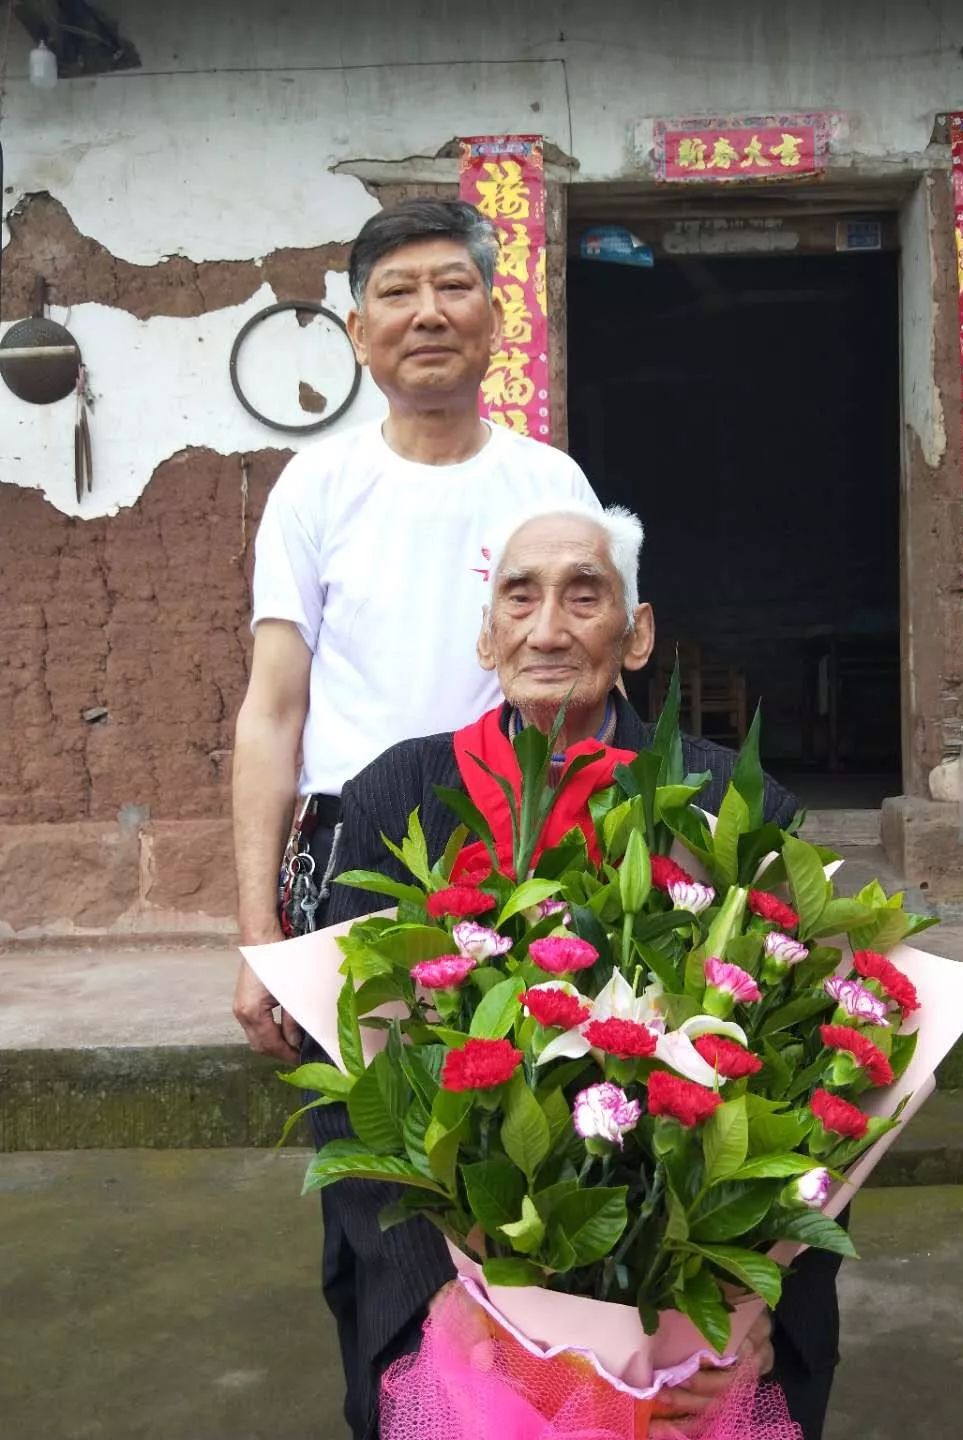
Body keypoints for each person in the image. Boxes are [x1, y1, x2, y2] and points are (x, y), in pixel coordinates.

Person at [320, 505, 842, 1440]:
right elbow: (351, 1080)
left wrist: (753, 1300)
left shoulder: (736, 805)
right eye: (519, 597)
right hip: (459, 1300)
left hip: (686, 1312)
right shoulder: (396, 798)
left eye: (584, 595)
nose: (548, 627)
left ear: (636, 635)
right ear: (488, 635)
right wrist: (435, 1295)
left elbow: (819, 1085)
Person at [229, 200, 598, 1431]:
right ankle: (401, 1404)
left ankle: (555, 1403)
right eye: (397, 293)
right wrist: (258, 936)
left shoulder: (547, 478)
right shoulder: (316, 483)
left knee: (548, 1160)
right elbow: (273, 712)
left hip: (533, 860)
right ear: (356, 329)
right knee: (382, 1184)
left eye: (453, 286)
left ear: (498, 316)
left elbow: (594, 673)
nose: (427, 312)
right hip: (364, 875)